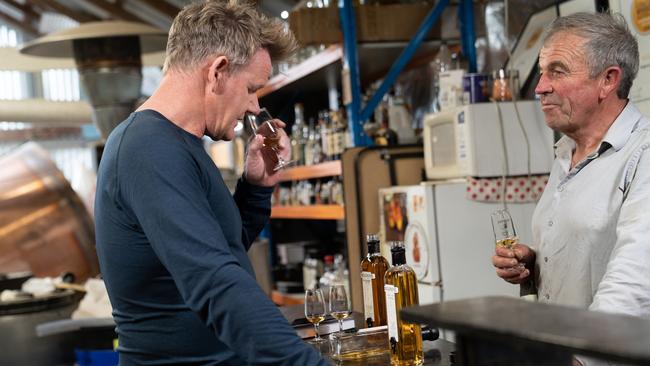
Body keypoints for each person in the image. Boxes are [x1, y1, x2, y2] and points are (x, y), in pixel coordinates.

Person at [94, 1, 328, 365]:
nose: (254, 106)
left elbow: (220, 252)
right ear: (218, 71)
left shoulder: (177, 144)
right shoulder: (148, 148)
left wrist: (256, 188)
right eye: (252, 88)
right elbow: (216, 282)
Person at [492, 11, 649, 366]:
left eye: (557, 71)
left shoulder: (643, 156)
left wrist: (580, 360)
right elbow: (587, 250)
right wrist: (532, 264)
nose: (540, 86)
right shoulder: (566, 153)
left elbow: (635, 281)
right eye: (543, 71)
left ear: (608, 80)